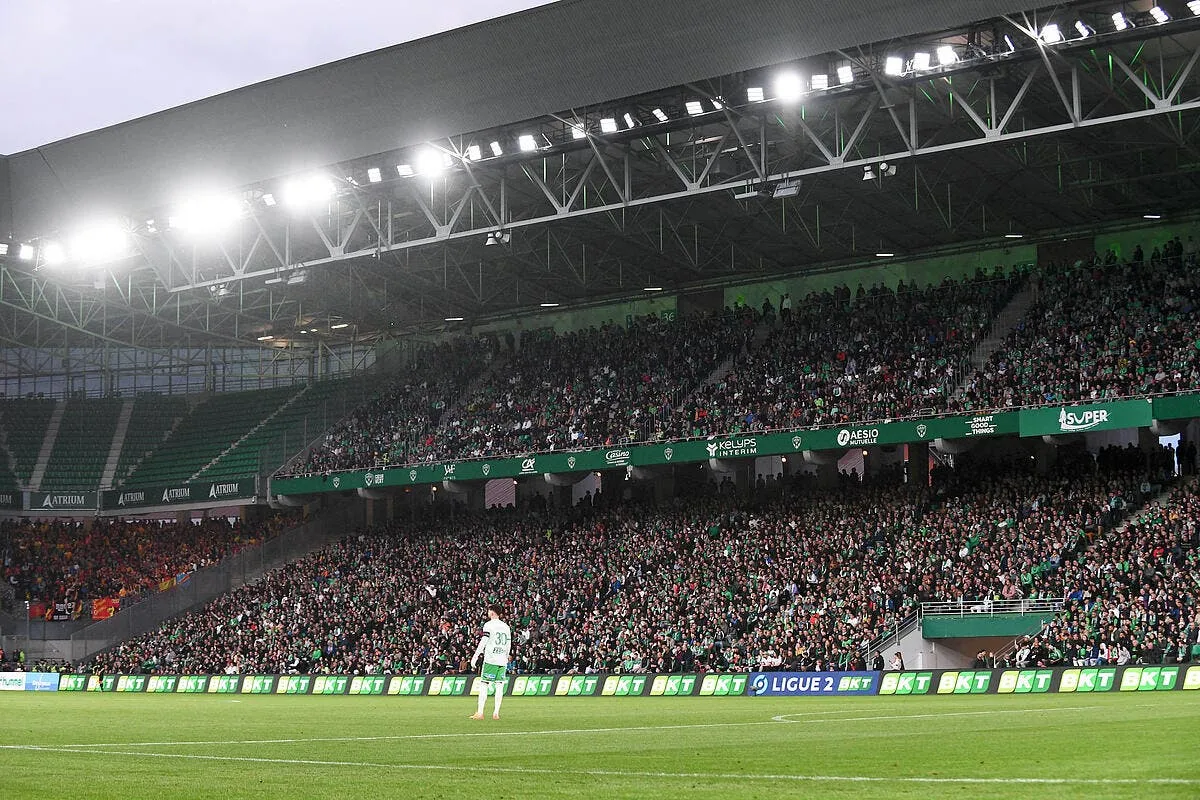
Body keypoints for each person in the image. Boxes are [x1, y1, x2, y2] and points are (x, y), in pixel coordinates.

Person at [470, 604, 512, 721]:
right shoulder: (506, 626)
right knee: (499, 686)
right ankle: (496, 713)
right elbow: (508, 644)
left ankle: (480, 712)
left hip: (491, 658)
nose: (488, 613)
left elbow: (484, 641)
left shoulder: (488, 625)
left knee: (484, 684)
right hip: (502, 660)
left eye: (489, 611)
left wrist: (475, 656)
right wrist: (505, 657)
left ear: (492, 613)